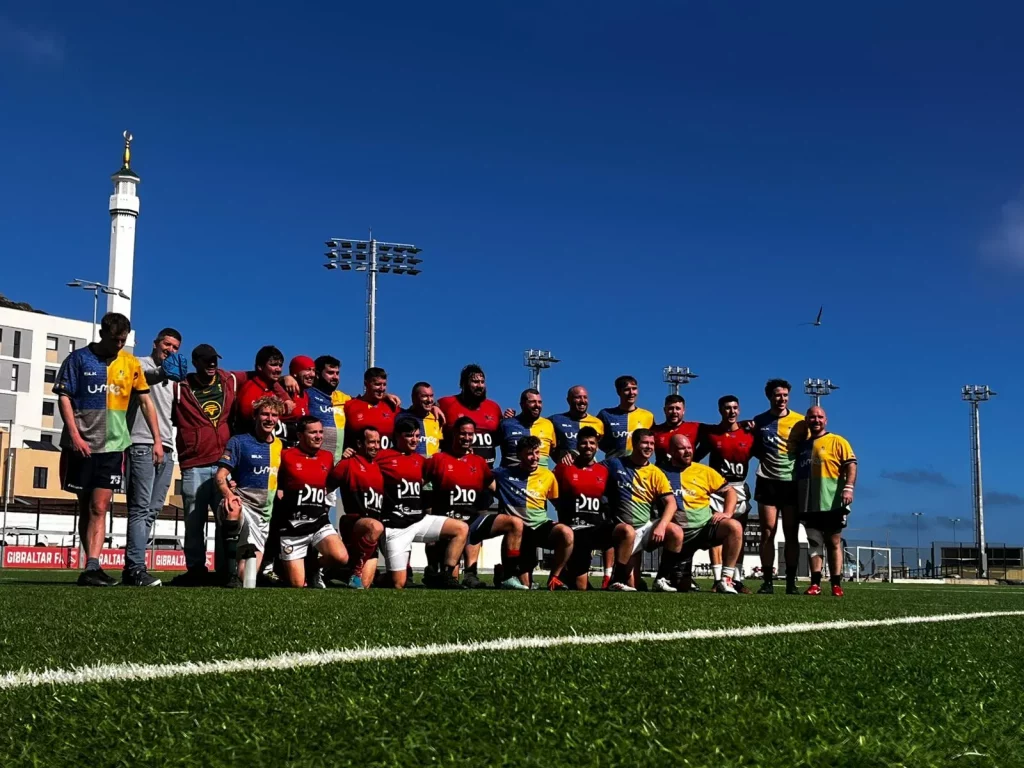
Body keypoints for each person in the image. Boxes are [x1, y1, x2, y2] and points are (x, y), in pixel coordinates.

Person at [54, 312, 163, 587]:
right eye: (115, 340)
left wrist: (157, 440)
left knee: (100, 506)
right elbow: (64, 397)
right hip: (81, 445)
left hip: (114, 444)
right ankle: (91, 565)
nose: (119, 345)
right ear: (103, 334)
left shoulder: (130, 362)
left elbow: (146, 402)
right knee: (85, 506)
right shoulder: (77, 360)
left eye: (123, 340)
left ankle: (92, 565)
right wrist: (75, 435)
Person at [170, 344, 284, 586]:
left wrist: (286, 380)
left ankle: (225, 571)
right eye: (206, 361)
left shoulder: (228, 379)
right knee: (194, 520)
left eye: (214, 360)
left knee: (226, 519)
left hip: (223, 459)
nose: (212, 365)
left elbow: (259, 375)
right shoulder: (180, 387)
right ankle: (196, 570)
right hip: (194, 463)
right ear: (195, 362)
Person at [123, 327, 184, 587]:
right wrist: (163, 372)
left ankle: (134, 567)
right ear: (156, 343)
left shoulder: (174, 377)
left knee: (152, 510)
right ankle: (135, 567)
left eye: (175, 348)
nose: (170, 350)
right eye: (167, 345)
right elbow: (142, 379)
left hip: (167, 447)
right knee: (139, 509)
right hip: (142, 443)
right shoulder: (140, 365)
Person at [376, 416, 468, 589]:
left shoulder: (421, 460)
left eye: (418, 436)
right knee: (398, 583)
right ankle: (378, 578)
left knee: (461, 528)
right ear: (397, 435)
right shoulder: (382, 457)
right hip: (395, 526)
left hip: (419, 520)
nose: (415, 440)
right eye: (410, 435)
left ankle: (445, 576)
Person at [215, 395, 286, 587]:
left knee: (247, 578)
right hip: (243, 504)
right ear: (255, 416)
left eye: (274, 415)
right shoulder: (239, 442)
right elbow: (220, 476)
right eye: (264, 414)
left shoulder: (280, 446)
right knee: (232, 507)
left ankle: (236, 572)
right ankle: (228, 574)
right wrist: (229, 495)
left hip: (263, 514)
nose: (269, 419)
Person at [603, 428, 684, 592]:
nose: (649, 447)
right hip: (623, 530)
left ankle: (661, 579)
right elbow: (591, 469)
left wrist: (661, 526)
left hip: (645, 528)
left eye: (652, 443)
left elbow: (671, 503)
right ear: (634, 444)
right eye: (645, 443)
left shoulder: (656, 472)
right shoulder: (615, 463)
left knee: (676, 531)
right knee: (632, 586)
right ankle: (616, 580)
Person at [273, 415, 349, 588]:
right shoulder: (285, 455)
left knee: (341, 557)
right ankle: (282, 565)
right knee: (297, 584)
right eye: (313, 432)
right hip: (291, 526)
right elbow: (274, 478)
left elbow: (329, 485)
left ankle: (313, 567)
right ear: (300, 436)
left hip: (318, 522)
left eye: (321, 432)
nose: (319, 436)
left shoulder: (327, 457)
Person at [661, 434, 742, 594]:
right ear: (671, 451)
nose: (687, 451)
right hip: (678, 535)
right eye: (682, 448)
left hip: (705, 528)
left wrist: (727, 512)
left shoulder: (704, 471)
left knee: (734, 527)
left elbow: (730, 491)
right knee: (680, 588)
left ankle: (726, 580)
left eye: (689, 447)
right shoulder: (660, 472)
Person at [490, 436, 572, 590]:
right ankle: (502, 573)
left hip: (540, 526)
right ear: (519, 454)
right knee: (525, 586)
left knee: (567, 533)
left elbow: (557, 504)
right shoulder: (504, 473)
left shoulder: (548, 475)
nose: (535, 457)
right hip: (519, 532)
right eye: (529, 453)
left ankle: (554, 578)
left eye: (537, 452)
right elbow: (483, 475)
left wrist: (564, 520)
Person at [422, 416, 495, 588]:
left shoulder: (479, 462)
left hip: (471, 519)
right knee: (450, 578)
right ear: (454, 433)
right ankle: (434, 570)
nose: (467, 438)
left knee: (510, 523)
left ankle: (471, 574)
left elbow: (494, 486)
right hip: (445, 521)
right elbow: (418, 483)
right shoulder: (438, 459)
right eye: (463, 434)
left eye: (471, 434)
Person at [694, 395, 756, 593]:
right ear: (720, 410)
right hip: (718, 489)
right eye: (727, 408)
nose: (732, 411)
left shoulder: (749, 434)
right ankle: (717, 578)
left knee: (739, 533)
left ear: (739, 410)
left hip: (739, 487)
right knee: (716, 532)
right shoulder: (712, 434)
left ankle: (735, 579)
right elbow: (695, 457)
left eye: (735, 408)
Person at [751, 379, 808, 594]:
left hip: (791, 483)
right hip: (767, 481)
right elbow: (754, 448)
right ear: (769, 397)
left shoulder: (800, 422)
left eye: (785, 395)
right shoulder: (760, 420)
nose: (781, 399)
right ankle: (767, 581)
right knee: (767, 531)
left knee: (791, 533)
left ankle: (791, 582)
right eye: (777, 395)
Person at [796, 406, 857, 597]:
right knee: (814, 541)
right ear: (807, 420)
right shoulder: (802, 446)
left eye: (819, 417)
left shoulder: (838, 441)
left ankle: (836, 584)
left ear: (826, 420)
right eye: (812, 417)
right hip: (808, 502)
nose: (816, 420)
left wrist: (848, 487)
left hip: (832, 501)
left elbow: (851, 464)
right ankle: (815, 584)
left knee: (833, 541)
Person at [553, 426, 611, 590]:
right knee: (581, 587)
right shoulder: (565, 468)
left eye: (592, 443)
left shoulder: (603, 470)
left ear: (597, 446)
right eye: (584, 443)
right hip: (575, 530)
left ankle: (613, 576)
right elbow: (549, 490)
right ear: (577, 445)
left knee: (622, 532)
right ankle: (567, 575)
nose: (588, 446)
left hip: (596, 528)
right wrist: (561, 508)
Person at [328, 426, 386, 589]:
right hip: (354, 522)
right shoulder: (348, 464)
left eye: (378, 442)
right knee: (375, 526)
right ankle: (354, 570)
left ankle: (336, 571)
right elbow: (326, 488)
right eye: (372, 442)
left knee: (364, 586)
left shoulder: (380, 465)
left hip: (374, 531)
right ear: (360, 444)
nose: (376, 446)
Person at [437, 364, 508, 470]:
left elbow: (498, 439)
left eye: (482, 382)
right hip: (453, 470)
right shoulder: (445, 403)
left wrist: (508, 421)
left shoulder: (494, 407)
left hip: (486, 471)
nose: (480, 386)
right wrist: (433, 408)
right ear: (463, 384)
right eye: (475, 382)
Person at [234, 345, 295, 435]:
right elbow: (249, 420)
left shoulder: (274, 387)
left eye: (280, 365)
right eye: (273, 365)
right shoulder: (250, 390)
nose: (278, 369)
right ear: (260, 367)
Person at [597, 376, 655, 459]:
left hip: (638, 468)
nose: (632, 393)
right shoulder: (606, 414)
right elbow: (593, 439)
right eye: (627, 389)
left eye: (634, 388)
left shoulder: (648, 416)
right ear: (618, 392)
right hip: (613, 466)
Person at [497, 389, 556, 468]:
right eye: (532, 402)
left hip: (541, 479)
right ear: (522, 404)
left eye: (540, 402)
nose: (537, 405)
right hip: (511, 478)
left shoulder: (548, 424)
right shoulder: (507, 424)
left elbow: (554, 452)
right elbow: (491, 446)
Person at [344, 367, 398, 451]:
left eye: (384, 384)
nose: (382, 388)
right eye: (377, 384)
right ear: (366, 384)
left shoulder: (392, 406)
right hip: (358, 461)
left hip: (385, 462)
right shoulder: (350, 405)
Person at [550, 385, 604, 465]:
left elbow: (600, 446)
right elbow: (549, 447)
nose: (582, 401)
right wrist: (559, 458)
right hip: (566, 470)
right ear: (568, 400)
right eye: (578, 397)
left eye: (585, 397)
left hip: (590, 470)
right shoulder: (555, 420)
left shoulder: (598, 423)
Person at [651, 394, 700, 465]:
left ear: (683, 410)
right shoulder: (655, 431)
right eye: (671, 408)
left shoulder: (696, 427)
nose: (674, 412)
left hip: (686, 473)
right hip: (662, 473)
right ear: (665, 410)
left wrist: (696, 459)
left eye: (678, 408)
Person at [400, 382, 444, 457]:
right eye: (424, 396)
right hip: (412, 466)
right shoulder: (402, 417)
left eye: (431, 396)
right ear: (413, 398)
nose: (429, 400)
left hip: (432, 467)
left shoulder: (438, 418)